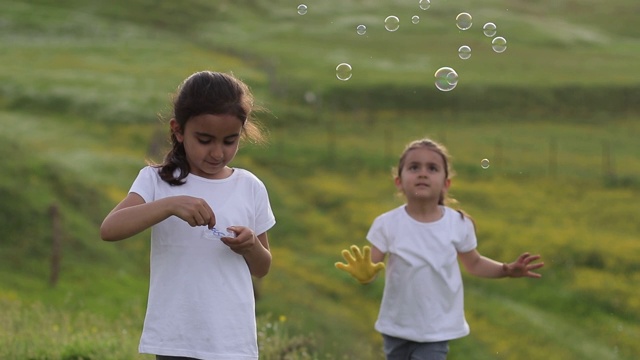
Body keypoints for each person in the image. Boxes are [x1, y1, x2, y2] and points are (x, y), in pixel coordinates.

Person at [100, 70, 276, 360]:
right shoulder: (157, 181)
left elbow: (262, 267)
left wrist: (251, 246)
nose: (217, 152)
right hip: (176, 339)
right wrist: (169, 205)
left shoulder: (250, 187)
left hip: (232, 342)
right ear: (178, 130)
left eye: (230, 141)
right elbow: (109, 229)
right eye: (205, 140)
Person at [335, 138, 544, 360]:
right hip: (396, 326)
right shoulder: (387, 224)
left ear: (446, 184)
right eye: (414, 167)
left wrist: (506, 269)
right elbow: (373, 265)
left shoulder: (457, 224)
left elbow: (474, 263)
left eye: (432, 168)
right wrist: (365, 275)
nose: (423, 173)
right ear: (399, 181)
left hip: (435, 329)